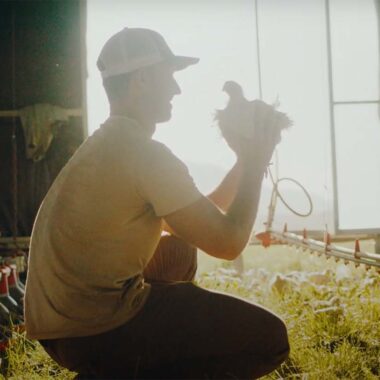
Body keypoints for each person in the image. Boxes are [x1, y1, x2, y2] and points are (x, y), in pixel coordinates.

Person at [24, 27, 289, 379]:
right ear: (143, 80)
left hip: (60, 328)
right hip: (95, 330)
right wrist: (258, 158)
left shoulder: (109, 144)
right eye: (170, 77)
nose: (177, 89)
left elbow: (202, 212)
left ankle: (117, 369)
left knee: (178, 253)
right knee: (268, 338)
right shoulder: (143, 155)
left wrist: (244, 161)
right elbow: (228, 243)